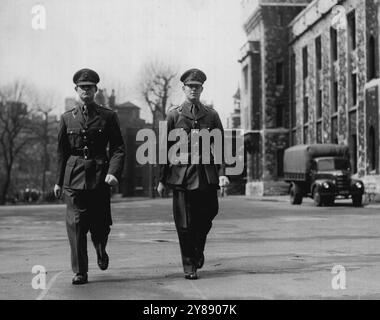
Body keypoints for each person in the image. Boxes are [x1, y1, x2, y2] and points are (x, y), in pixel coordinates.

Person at [54, 68, 125, 285]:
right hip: (73, 177)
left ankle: (100, 247)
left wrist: (113, 172)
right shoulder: (67, 119)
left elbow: (118, 148)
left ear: (96, 90)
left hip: (100, 176)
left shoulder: (108, 116)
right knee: (75, 225)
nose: (86, 91)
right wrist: (58, 181)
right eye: (82, 88)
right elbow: (61, 152)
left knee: (101, 224)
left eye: (90, 87)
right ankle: (80, 271)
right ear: (76, 90)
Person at [157, 68, 229, 280]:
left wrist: (223, 173)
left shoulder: (211, 115)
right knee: (185, 223)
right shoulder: (173, 115)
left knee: (208, 214)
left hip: (206, 175)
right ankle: (189, 265)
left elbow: (221, 146)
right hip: (181, 176)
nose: (194, 90)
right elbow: (164, 149)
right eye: (190, 87)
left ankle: (197, 247)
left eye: (197, 87)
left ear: (202, 89)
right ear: (184, 88)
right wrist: (161, 179)